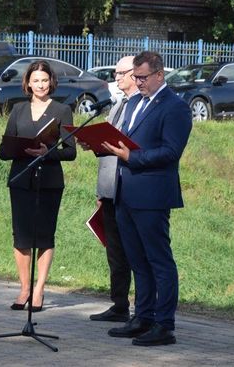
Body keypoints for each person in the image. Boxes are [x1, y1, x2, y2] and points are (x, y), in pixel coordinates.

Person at [102, 51, 192, 346]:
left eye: (142, 77)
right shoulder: (134, 103)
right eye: (135, 77)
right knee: (137, 260)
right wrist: (102, 144)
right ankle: (142, 316)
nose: (138, 82)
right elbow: (125, 140)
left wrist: (132, 157)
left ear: (159, 75)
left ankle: (164, 324)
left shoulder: (175, 107)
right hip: (126, 192)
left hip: (152, 194)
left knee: (158, 260)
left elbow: (171, 151)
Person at [0, 60, 76, 312]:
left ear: (51, 82)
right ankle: (24, 289)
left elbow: (71, 152)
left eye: (44, 80)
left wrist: (47, 152)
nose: (41, 85)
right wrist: (17, 148)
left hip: (49, 181)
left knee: (44, 236)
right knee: (21, 237)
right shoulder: (18, 109)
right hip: (21, 179)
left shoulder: (62, 110)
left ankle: (39, 289)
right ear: (28, 83)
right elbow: (3, 151)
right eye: (36, 81)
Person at [87, 56, 138, 322]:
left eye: (120, 73)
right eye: (115, 73)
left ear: (135, 74)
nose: (116, 78)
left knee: (136, 251)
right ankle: (119, 305)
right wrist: (91, 142)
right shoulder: (118, 104)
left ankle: (144, 308)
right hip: (110, 189)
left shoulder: (142, 106)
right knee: (115, 252)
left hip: (132, 189)